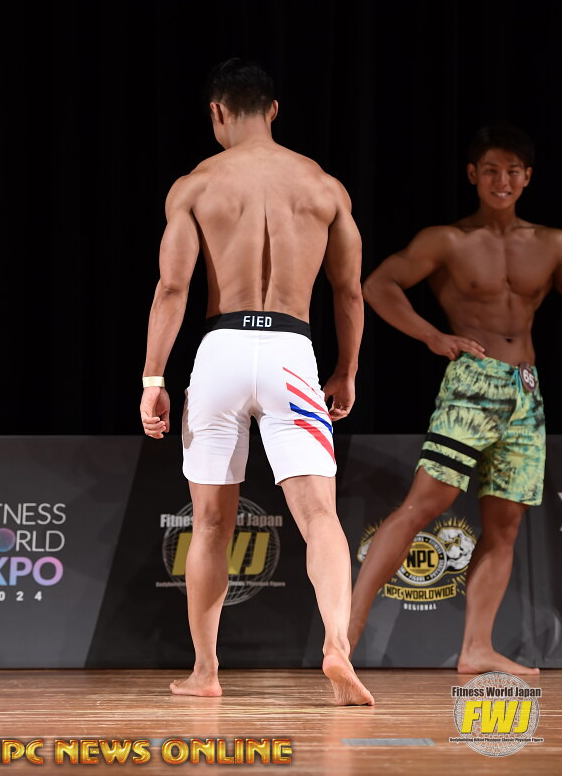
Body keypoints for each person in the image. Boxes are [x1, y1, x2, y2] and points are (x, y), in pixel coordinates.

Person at [140, 59, 373, 704]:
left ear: (217, 111)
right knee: (320, 516)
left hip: (219, 351)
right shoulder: (324, 187)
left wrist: (154, 377)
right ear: (273, 110)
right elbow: (350, 293)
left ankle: (206, 673)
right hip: (292, 354)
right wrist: (347, 370)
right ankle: (336, 645)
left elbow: (172, 288)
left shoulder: (196, 185)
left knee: (211, 524)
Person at [348, 124, 562, 675]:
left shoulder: (551, 243)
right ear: (473, 174)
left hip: (526, 392)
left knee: (506, 525)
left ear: (528, 177)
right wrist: (431, 336)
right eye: (491, 170)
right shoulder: (447, 240)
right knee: (424, 505)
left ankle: (476, 648)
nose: (501, 180)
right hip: (472, 384)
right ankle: (343, 635)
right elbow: (378, 286)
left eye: (512, 171)